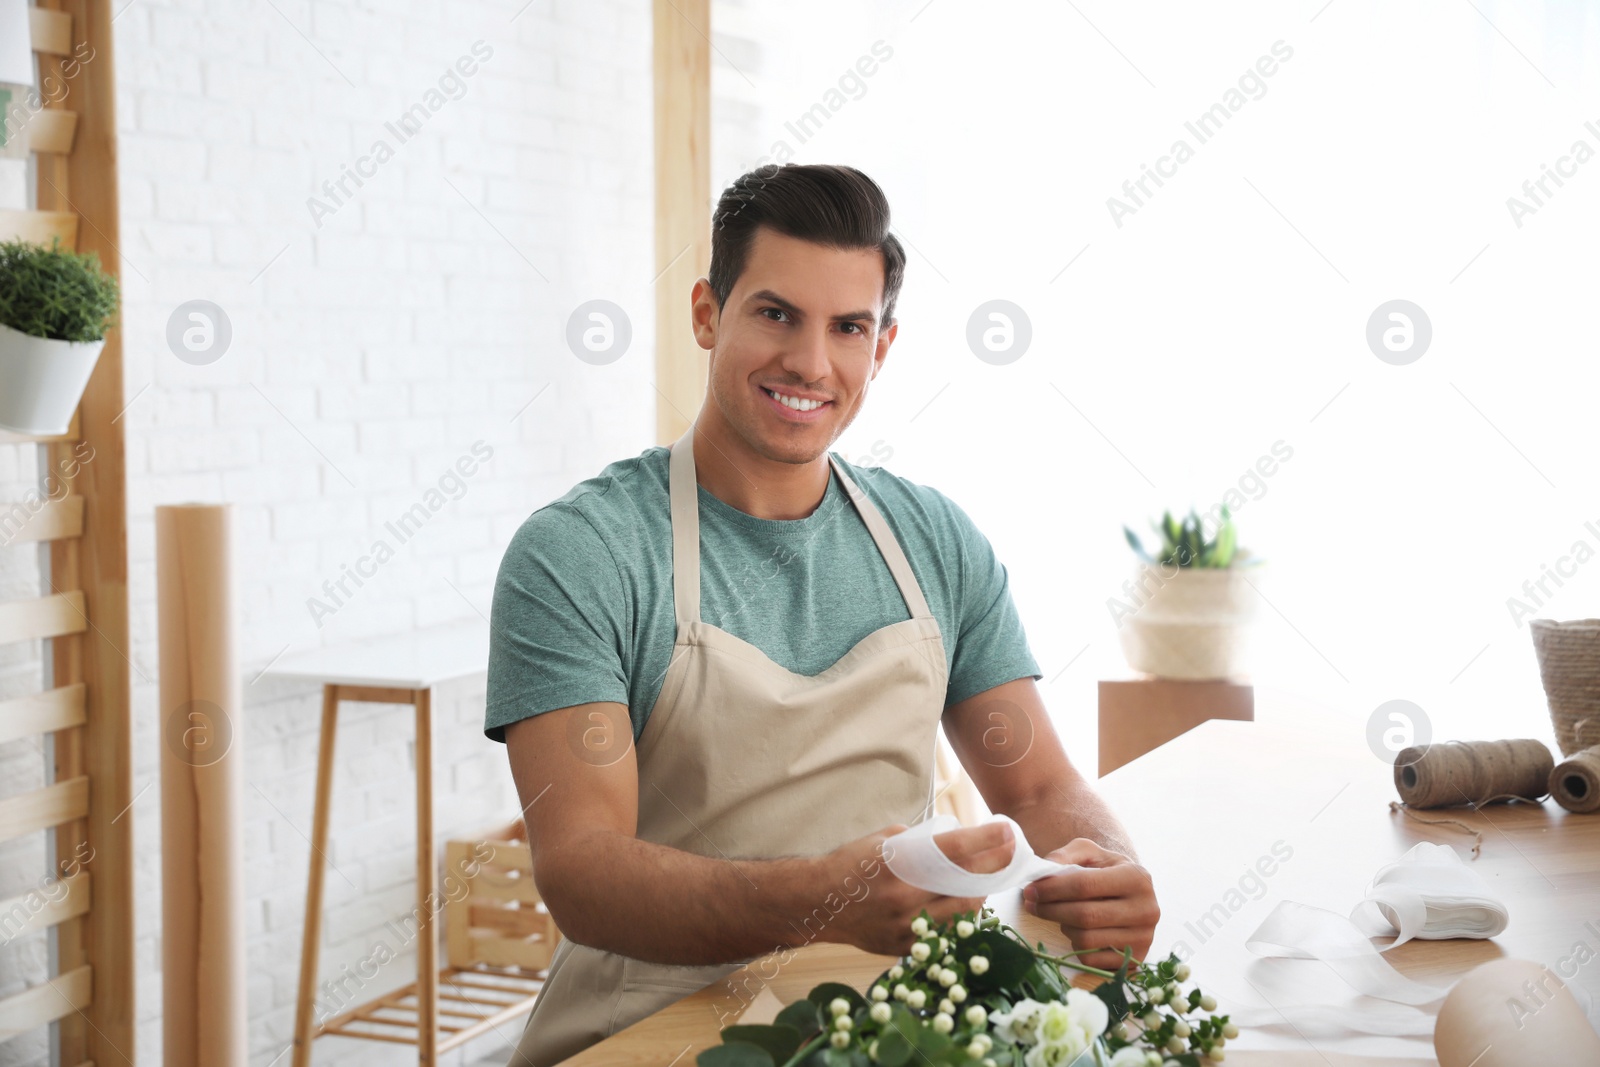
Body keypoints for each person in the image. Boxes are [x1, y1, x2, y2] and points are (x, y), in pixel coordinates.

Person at [487, 163, 1159, 1066]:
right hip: (642, 1031)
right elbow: (582, 871)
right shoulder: (582, 553)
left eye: (848, 327)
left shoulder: (936, 541)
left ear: (881, 347)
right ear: (704, 314)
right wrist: (821, 898)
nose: (810, 363)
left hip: (887, 1029)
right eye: (775, 314)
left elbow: (1038, 789)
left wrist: (1111, 866)